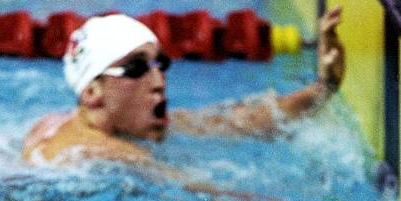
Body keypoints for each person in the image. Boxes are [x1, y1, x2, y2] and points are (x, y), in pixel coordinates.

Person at [22, 7, 345, 166]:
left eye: (159, 63)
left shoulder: (59, 122)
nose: (159, 81)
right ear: (92, 93)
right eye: (137, 68)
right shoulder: (101, 151)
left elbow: (240, 120)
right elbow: (213, 195)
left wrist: (324, 87)